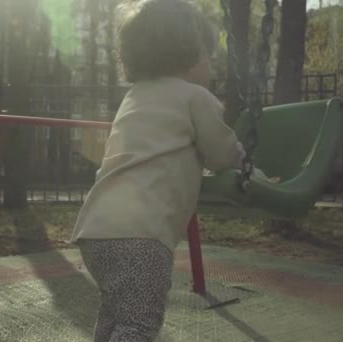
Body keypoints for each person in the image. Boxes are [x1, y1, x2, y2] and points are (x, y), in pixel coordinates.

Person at [70, 1, 278, 340]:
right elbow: (222, 152)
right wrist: (253, 170)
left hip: (95, 232)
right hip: (141, 238)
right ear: (188, 53)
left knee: (115, 315)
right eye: (209, 57)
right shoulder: (195, 97)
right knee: (139, 325)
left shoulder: (136, 98)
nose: (212, 66)